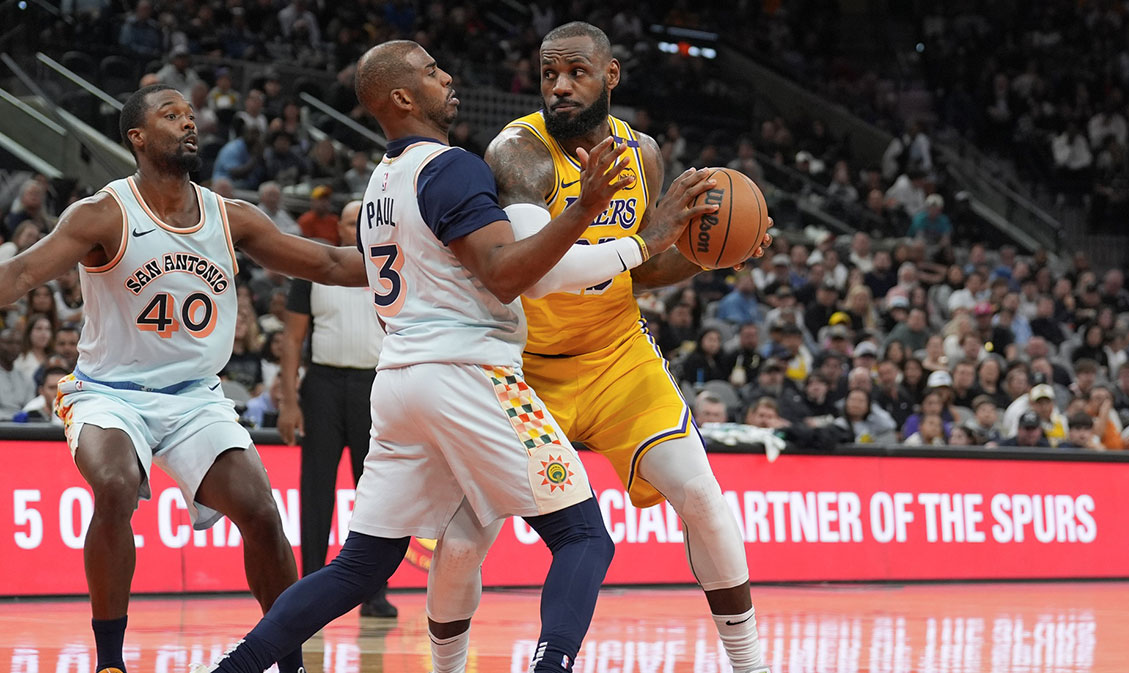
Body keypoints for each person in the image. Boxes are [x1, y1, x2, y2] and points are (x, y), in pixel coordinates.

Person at [196, 40, 706, 673]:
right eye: (433, 72)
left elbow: (366, 265)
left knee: (359, 566)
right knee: (583, 538)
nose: (450, 77)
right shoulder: (453, 167)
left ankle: (231, 668)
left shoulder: (381, 182)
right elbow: (504, 274)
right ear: (404, 97)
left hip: (399, 383)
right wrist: (607, 222)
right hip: (471, 374)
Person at [423, 22, 771, 673]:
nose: (559, 85)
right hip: (524, 370)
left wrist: (714, 254)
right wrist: (646, 237)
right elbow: (539, 271)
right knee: (467, 536)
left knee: (702, 496)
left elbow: (641, 268)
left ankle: (750, 664)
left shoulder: (643, 155)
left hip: (615, 357)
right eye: (549, 72)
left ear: (610, 77)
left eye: (575, 72)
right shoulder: (518, 153)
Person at [0, 83, 376, 673]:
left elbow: (327, 262)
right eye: (170, 115)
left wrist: (410, 265)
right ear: (138, 136)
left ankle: (290, 664)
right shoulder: (103, 213)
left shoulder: (232, 218)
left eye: (191, 115)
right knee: (118, 485)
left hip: (197, 399)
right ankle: (109, 661)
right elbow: (21, 273)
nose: (188, 123)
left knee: (260, 511)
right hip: (109, 394)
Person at [276, 200, 394, 617]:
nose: (357, 227)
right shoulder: (315, 270)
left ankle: (375, 593)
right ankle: (308, 588)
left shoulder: (392, 265)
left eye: (362, 219)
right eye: (349, 221)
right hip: (323, 385)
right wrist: (289, 401)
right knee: (316, 490)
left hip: (375, 387)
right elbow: (291, 339)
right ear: (339, 230)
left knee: (376, 493)